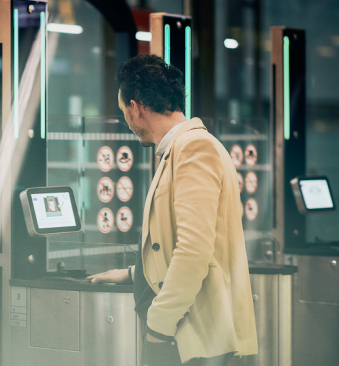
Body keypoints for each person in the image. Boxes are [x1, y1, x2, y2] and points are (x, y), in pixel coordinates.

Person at [87, 55, 257, 366]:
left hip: (187, 337)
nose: (126, 119)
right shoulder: (181, 149)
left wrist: (159, 327)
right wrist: (135, 275)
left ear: (136, 107)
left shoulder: (194, 149)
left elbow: (194, 249)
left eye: (124, 110)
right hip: (184, 335)